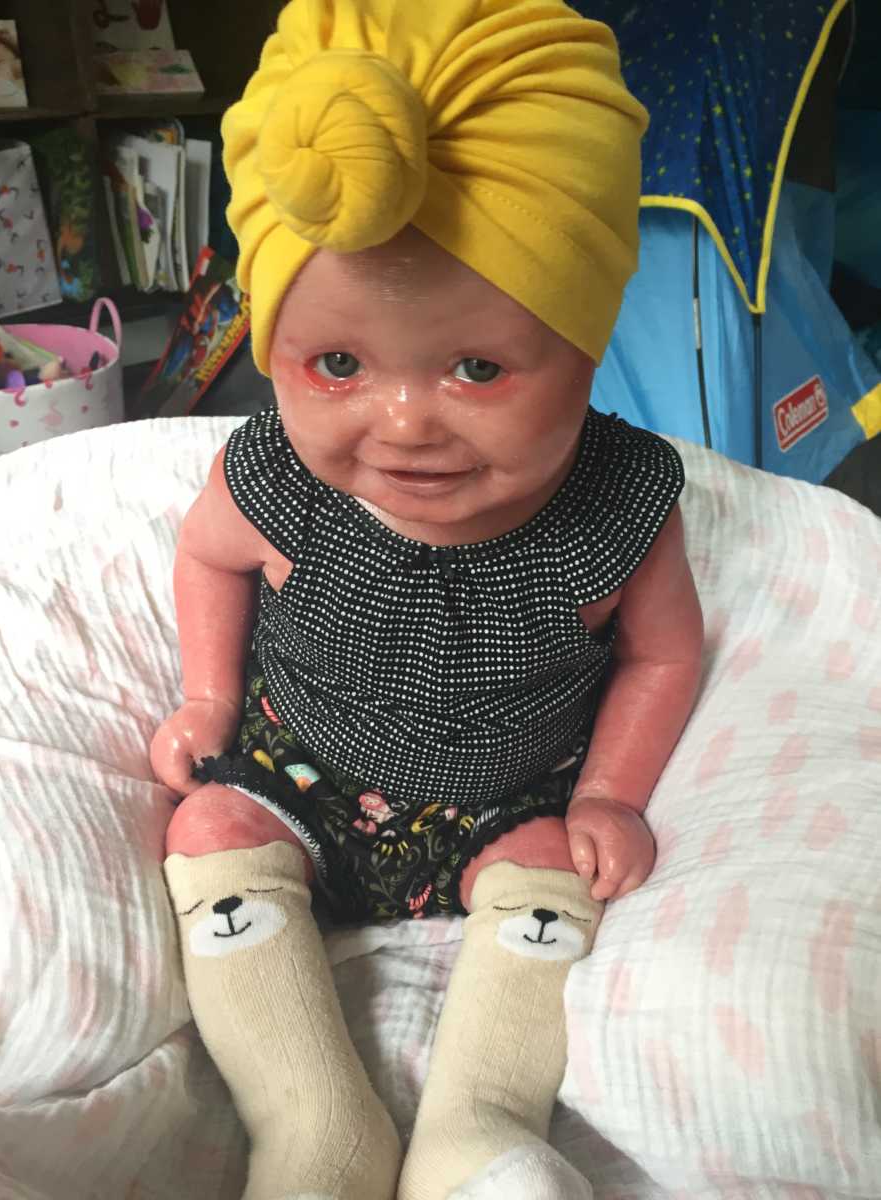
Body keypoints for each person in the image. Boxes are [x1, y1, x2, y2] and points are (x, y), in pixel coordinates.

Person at [150, 1, 704, 1197]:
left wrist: (610, 792)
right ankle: (312, 1128)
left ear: (589, 346)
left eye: (479, 368)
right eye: (338, 365)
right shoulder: (277, 479)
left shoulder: (619, 503)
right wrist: (206, 697)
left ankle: (483, 1126)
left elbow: (664, 656)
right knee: (206, 829)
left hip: (511, 794)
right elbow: (207, 559)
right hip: (300, 771)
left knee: (559, 868)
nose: (404, 425)